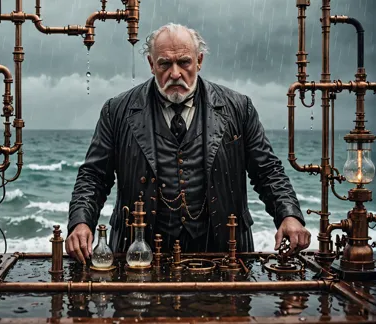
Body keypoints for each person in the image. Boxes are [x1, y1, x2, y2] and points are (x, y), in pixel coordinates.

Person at [66, 23, 311, 264]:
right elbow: (94, 176)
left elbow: (267, 170)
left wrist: (289, 215)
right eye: (164, 63)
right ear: (152, 65)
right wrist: (81, 222)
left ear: (199, 61)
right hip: (138, 253)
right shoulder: (117, 110)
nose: (175, 73)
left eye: (184, 62)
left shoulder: (239, 108)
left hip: (224, 251)